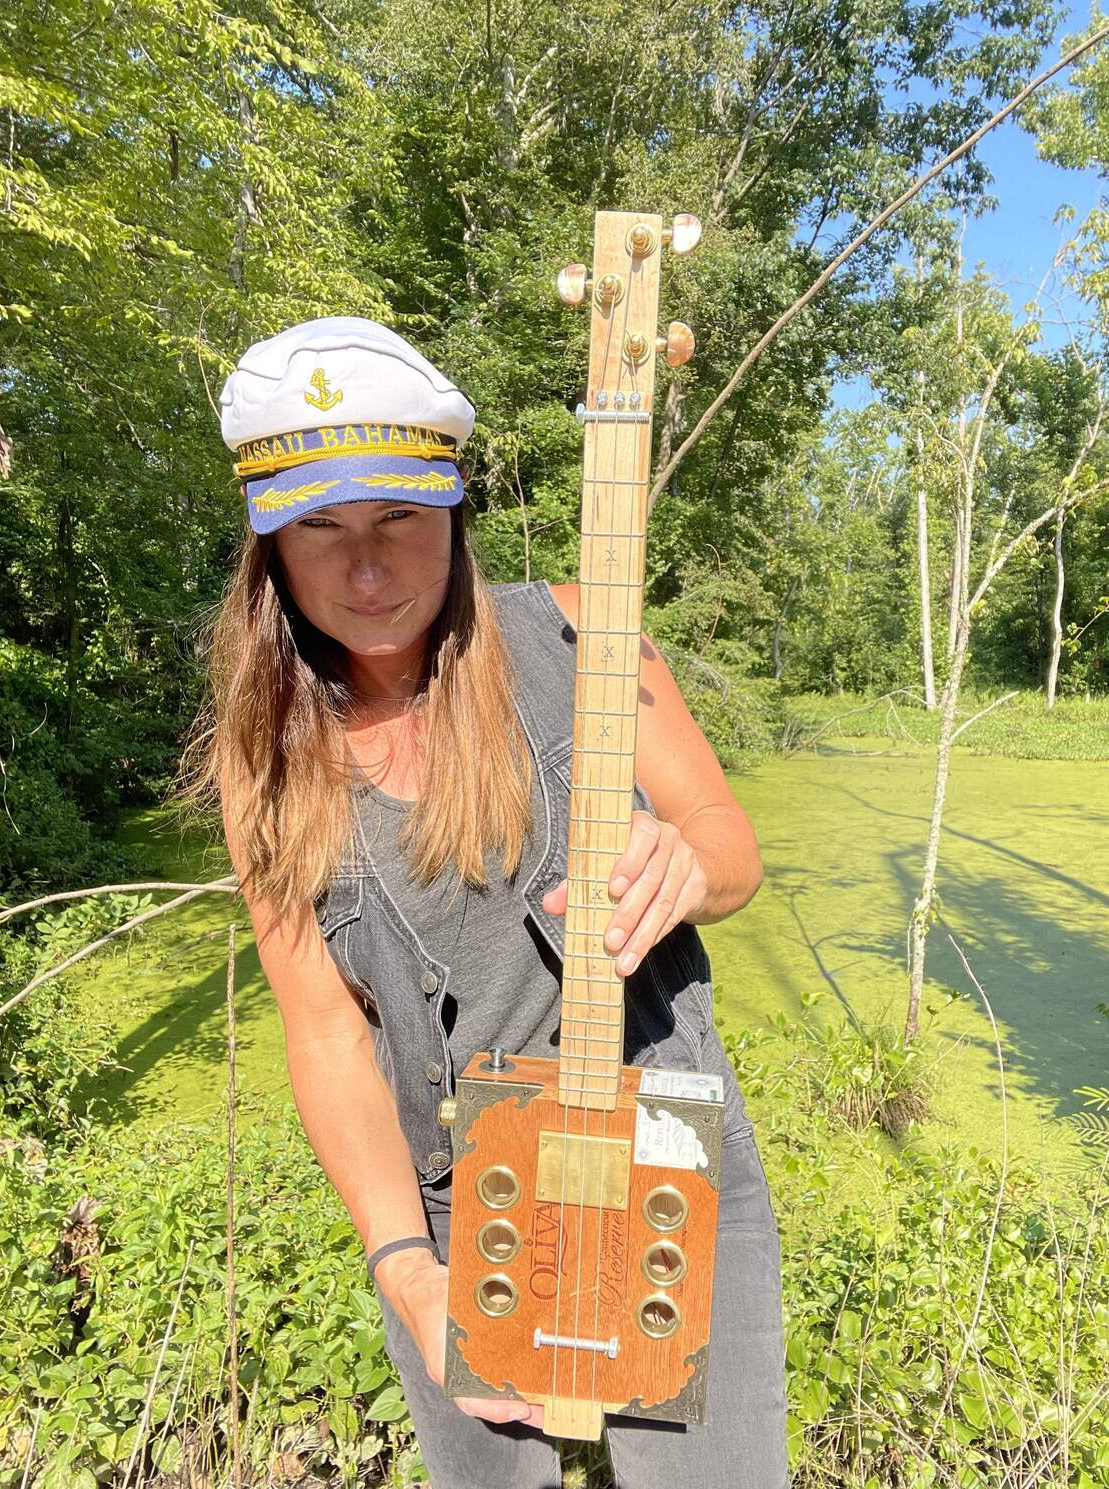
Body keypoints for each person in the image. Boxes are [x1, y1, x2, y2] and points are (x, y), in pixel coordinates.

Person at [182, 316, 788, 1488]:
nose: (367, 569)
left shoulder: (579, 628)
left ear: (454, 511)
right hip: (457, 1207)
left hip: (664, 1154)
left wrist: (689, 867)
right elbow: (326, 1032)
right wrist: (406, 1266)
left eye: (399, 518)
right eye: (320, 528)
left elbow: (731, 844)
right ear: (271, 551)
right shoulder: (264, 761)